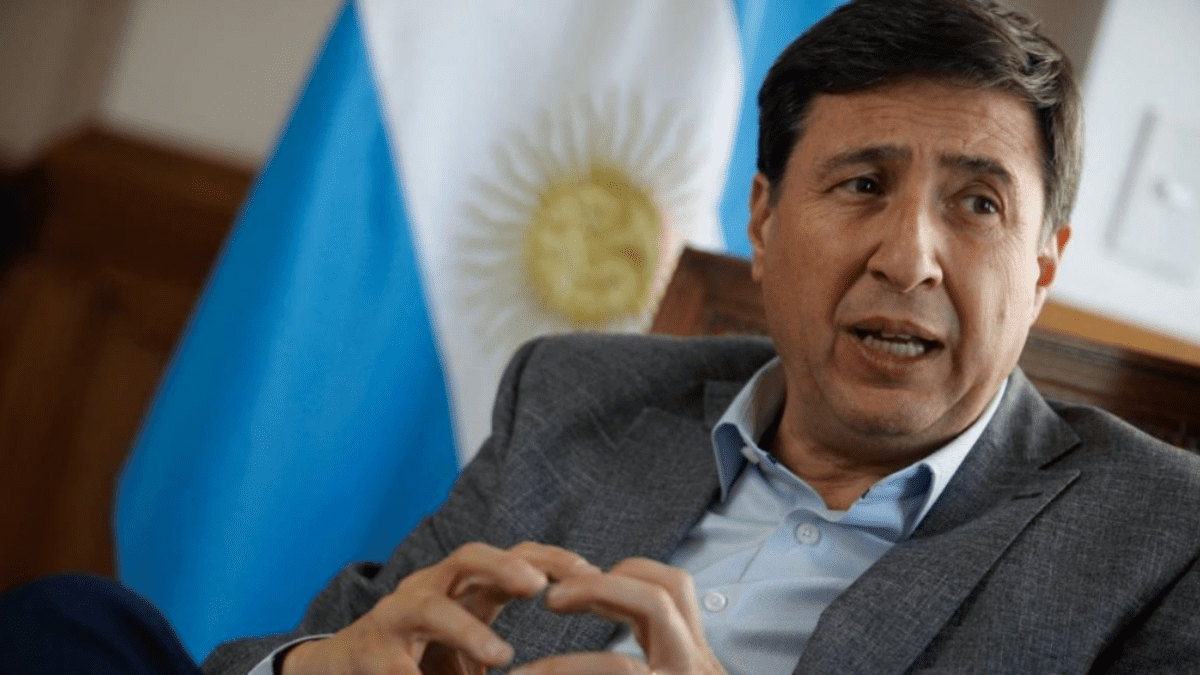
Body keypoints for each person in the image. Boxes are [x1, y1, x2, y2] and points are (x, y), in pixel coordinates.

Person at [2, 0, 1198, 673]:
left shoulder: (1159, 538)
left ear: (1043, 267)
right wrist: (320, 667)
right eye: (862, 185)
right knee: (70, 628)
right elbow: (345, 633)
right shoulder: (579, 395)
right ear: (763, 224)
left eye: (978, 204)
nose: (910, 257)